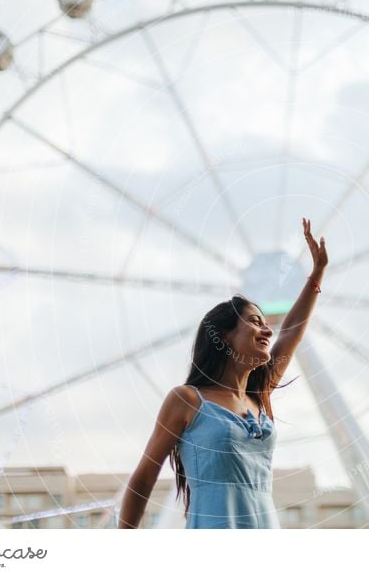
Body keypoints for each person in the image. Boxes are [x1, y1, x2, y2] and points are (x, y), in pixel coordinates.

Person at [118, 217, 328, 528]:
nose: (267, 329)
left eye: (265, 322)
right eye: (254, 321)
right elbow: (143, 479)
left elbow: (292, 333)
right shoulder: (187, 400)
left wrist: (317, 272)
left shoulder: (260, 398)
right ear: (225, 335)